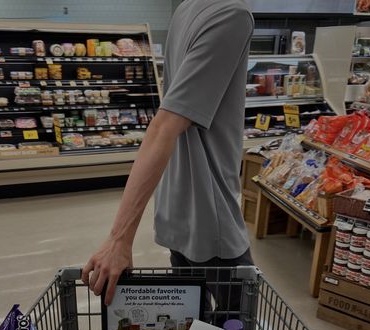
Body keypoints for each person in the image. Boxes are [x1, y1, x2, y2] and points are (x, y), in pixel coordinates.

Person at [82, 0, 255, 307]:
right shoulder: (233, 14)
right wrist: (119, 239)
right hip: (210, 216)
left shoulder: (187, 8)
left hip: (178, 208)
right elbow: (164, 127)